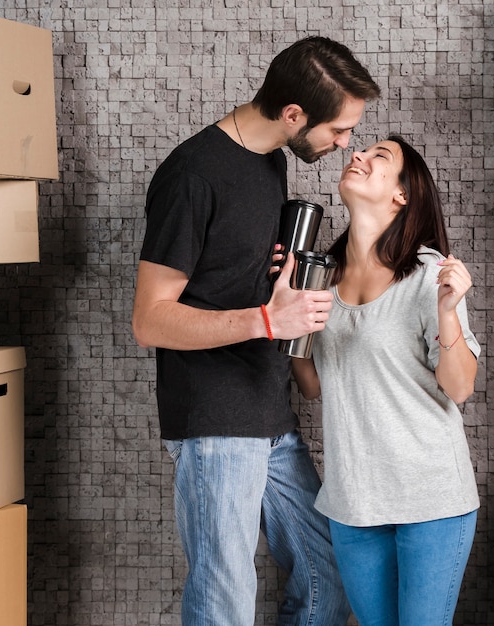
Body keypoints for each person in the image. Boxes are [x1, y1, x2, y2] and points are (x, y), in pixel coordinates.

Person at [131, 36, 380, 626]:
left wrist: (274, 279)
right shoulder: (192, 175)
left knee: (326, 572)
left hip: (268, 409)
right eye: (340, 130)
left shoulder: (270, 159)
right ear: (293, 115)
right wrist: (267, 319)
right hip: (216, 420)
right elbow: (150, 319)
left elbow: (230, 271)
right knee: (225, 599)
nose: (346, 144)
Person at [289, 136, 481, 626]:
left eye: (380, 158)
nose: (358, 156)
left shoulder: (428, 274)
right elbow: (313, 385)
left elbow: (459, 388)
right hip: (354, 502)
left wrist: (448, 313)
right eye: (362, 151)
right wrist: (285, 316)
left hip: (431, 499)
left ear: (402, 195)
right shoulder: (320, 278)